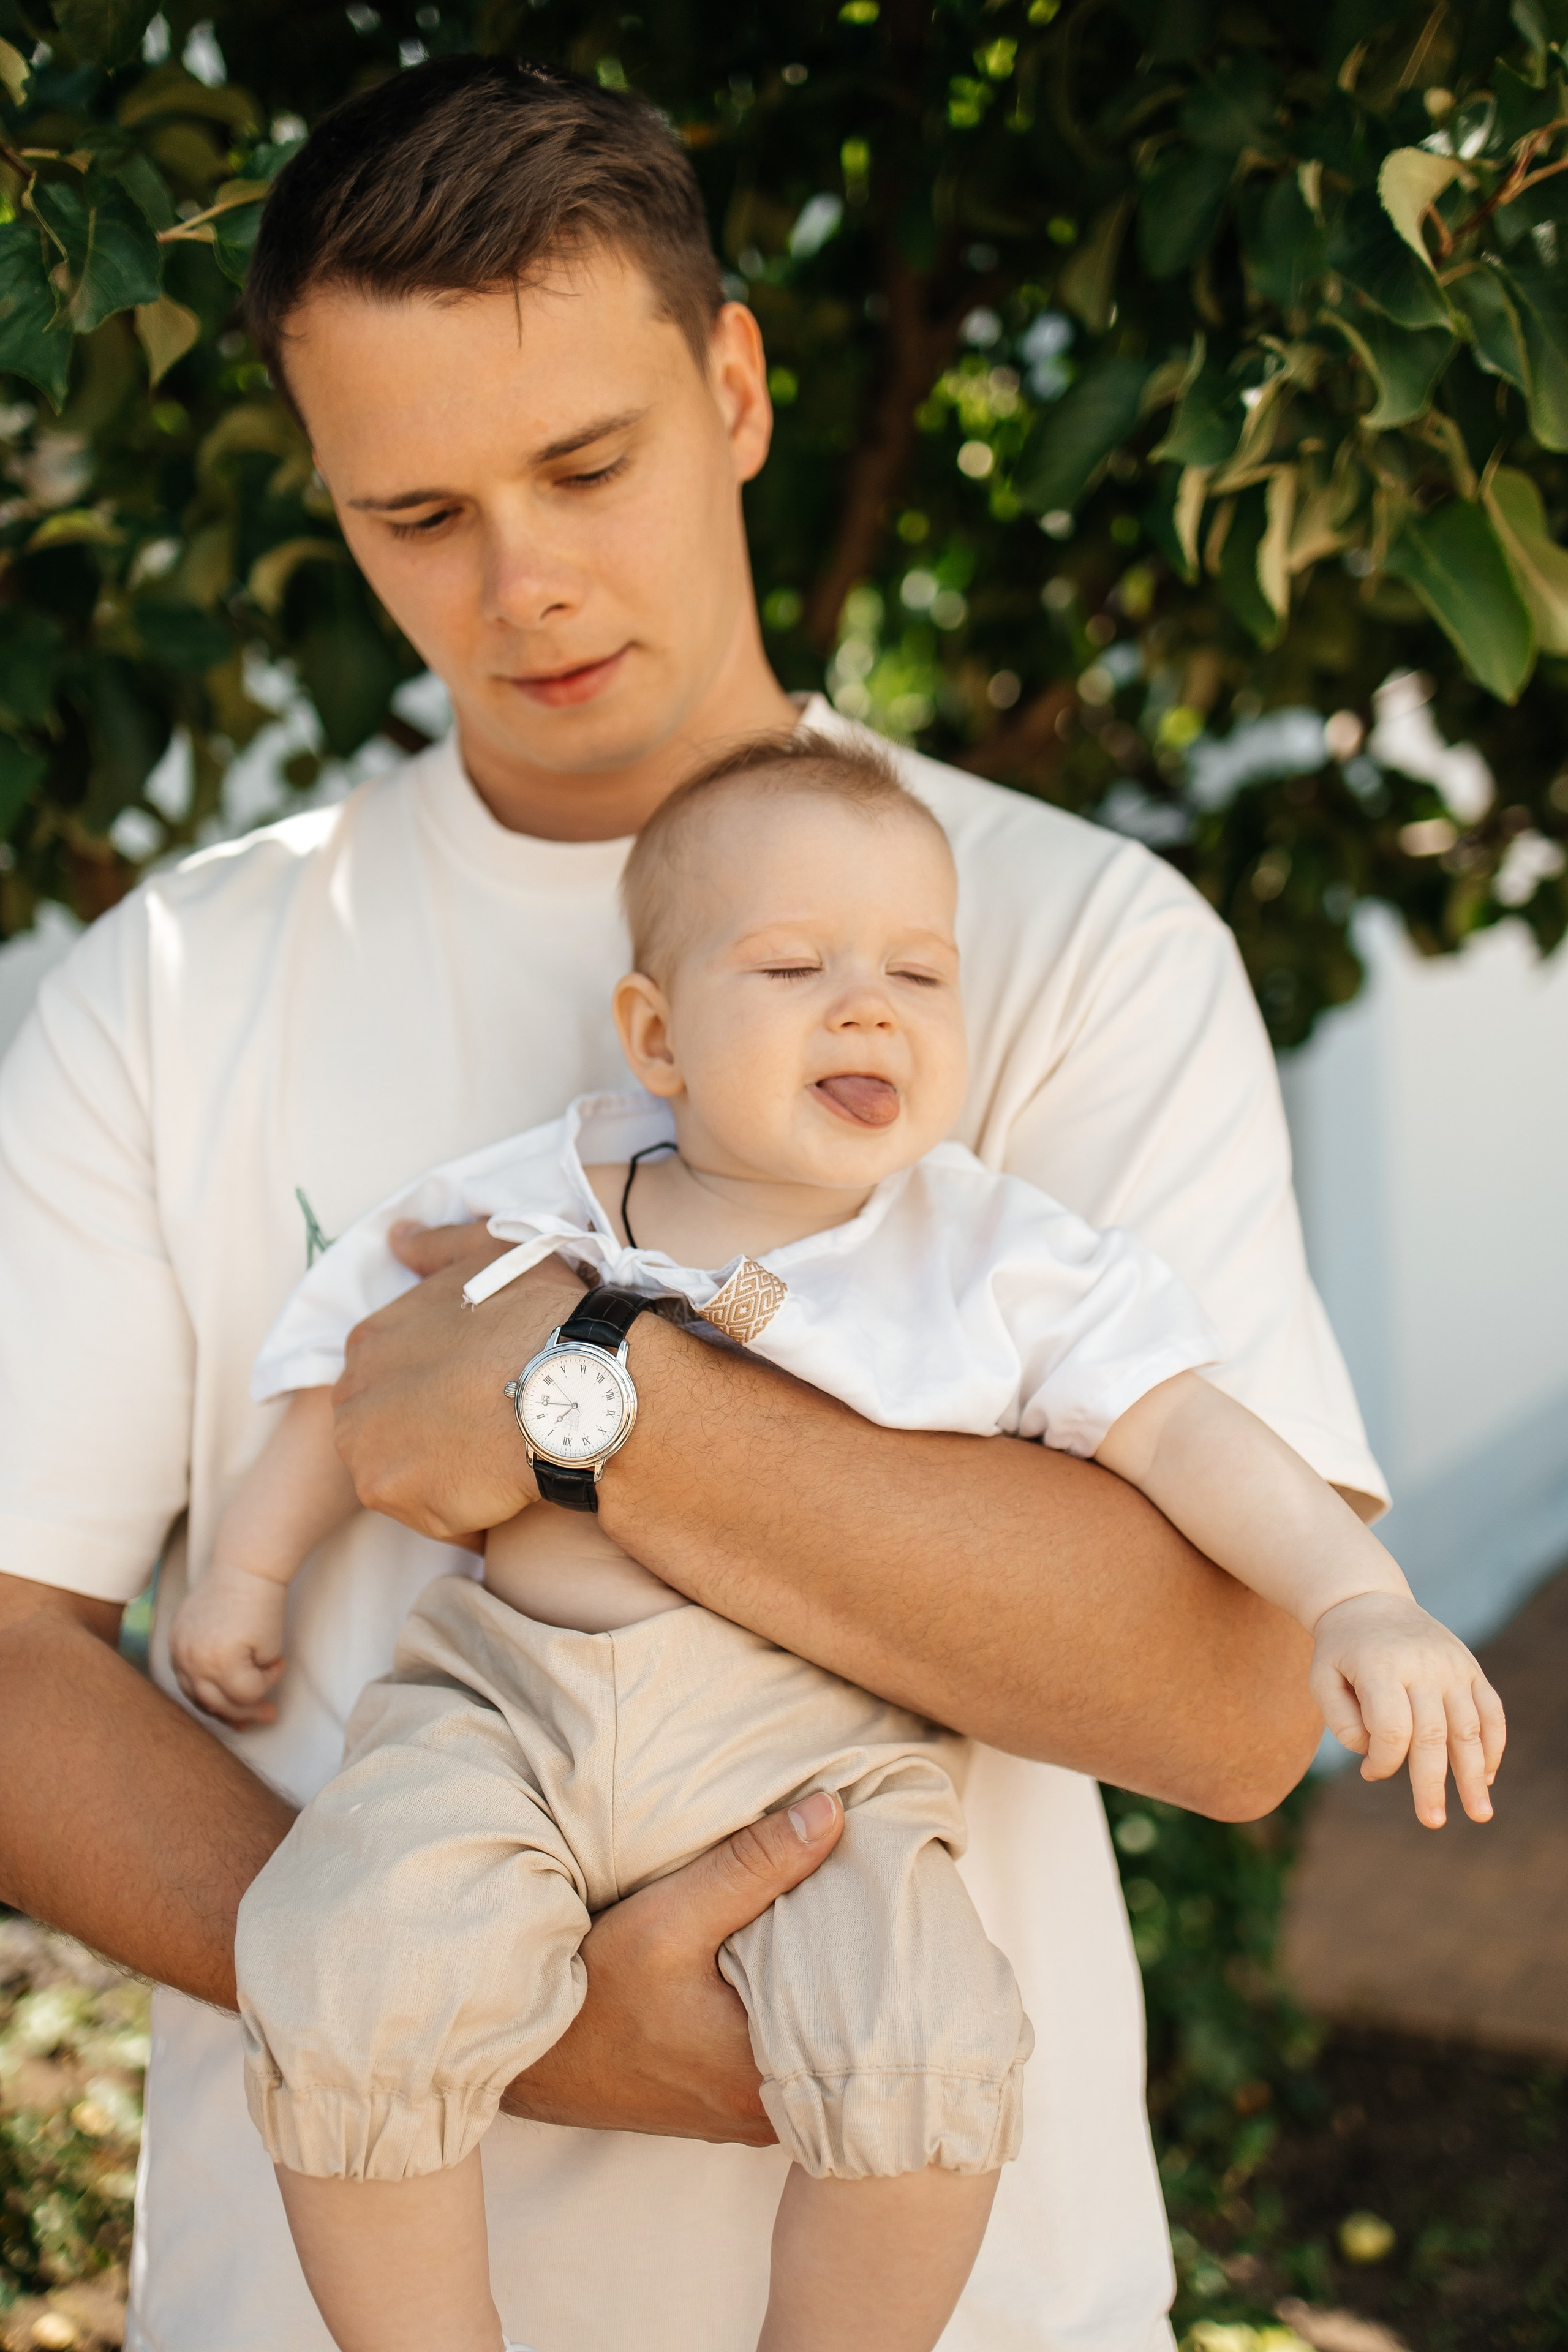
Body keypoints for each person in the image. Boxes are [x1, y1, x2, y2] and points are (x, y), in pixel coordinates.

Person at [0, 55, 1396, 2352]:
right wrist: (509, 2012)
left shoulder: (1061, 949)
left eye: (585, 464)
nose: (520, 580)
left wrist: (586, 1402)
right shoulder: (183, 976)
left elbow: (1240, 1697)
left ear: (736, 385)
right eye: (415, 512)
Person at [167, 737, 1498, 2352]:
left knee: (930, 2047)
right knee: (345, 1948)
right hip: (503, 1708)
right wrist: (247, 1569)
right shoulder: (547, 1194)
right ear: (656, 1034)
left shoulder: (997, 1259)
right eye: (796, 965)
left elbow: (1191, 1433)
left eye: (919, 975)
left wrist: (1356, 1595)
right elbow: (358, 1373)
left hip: (822, 1766)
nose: (868, 1005)